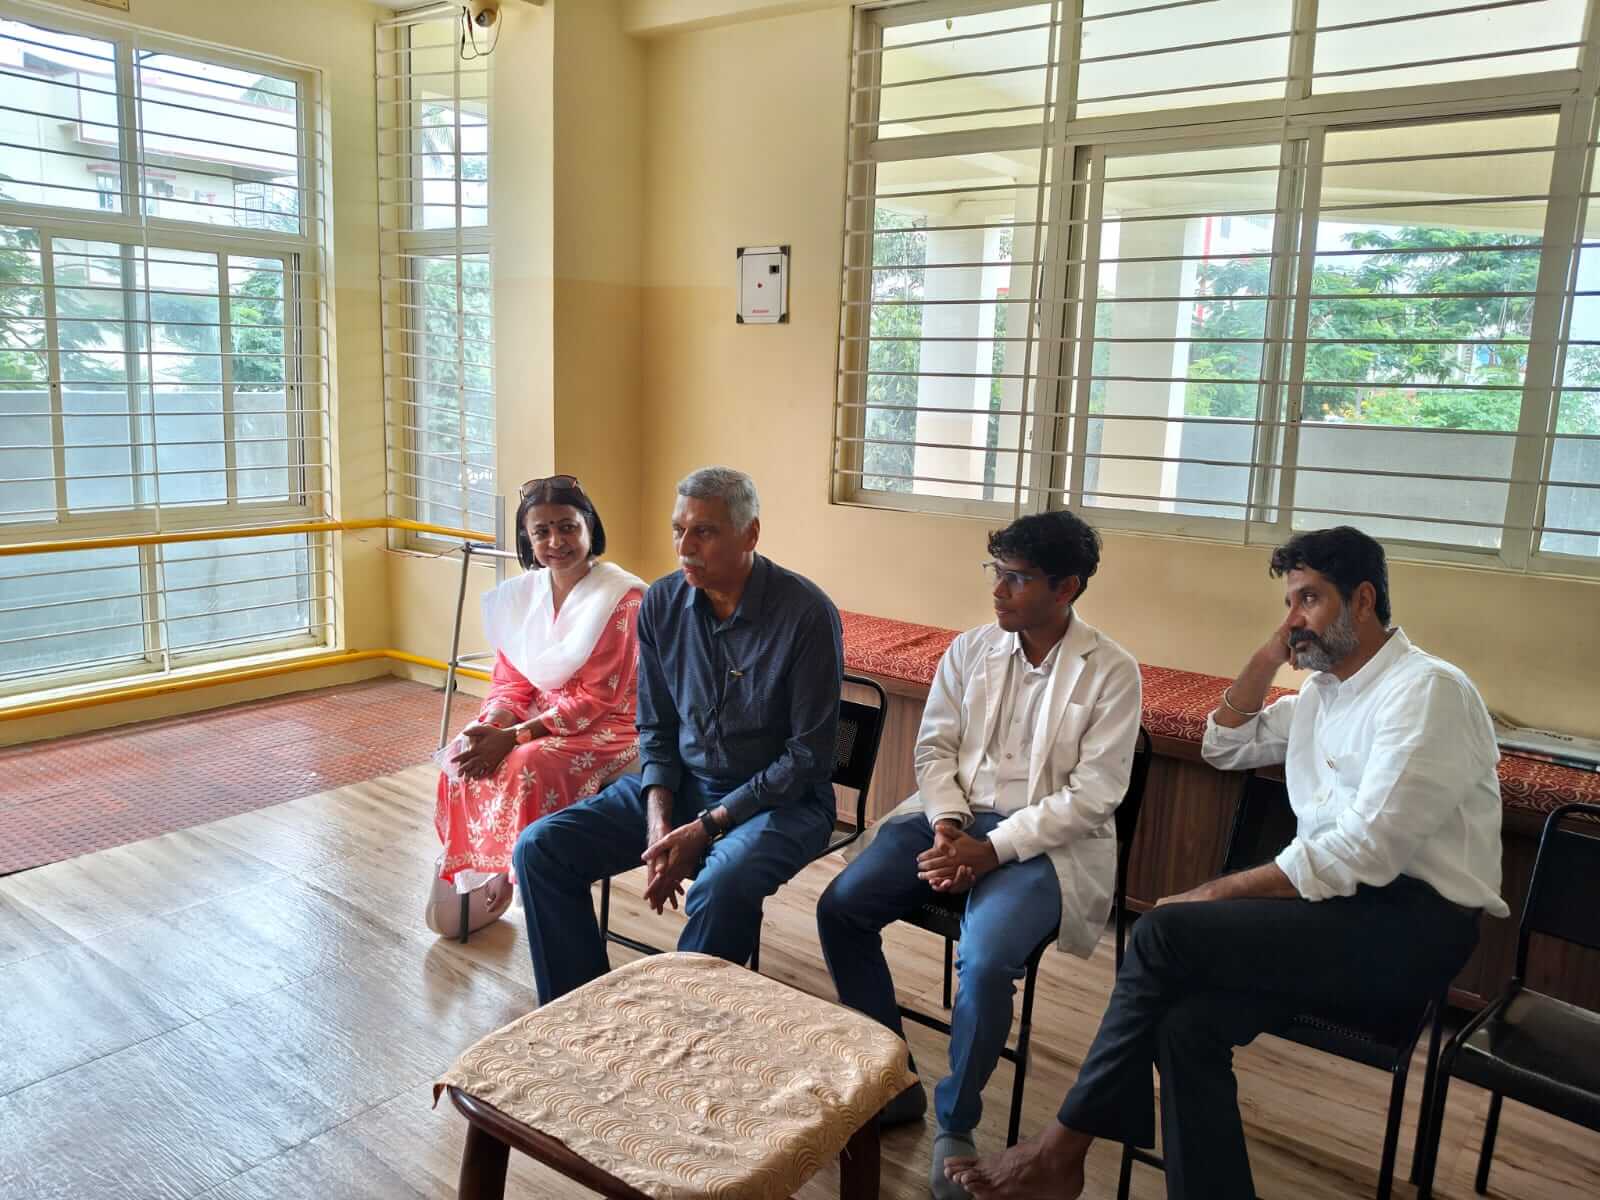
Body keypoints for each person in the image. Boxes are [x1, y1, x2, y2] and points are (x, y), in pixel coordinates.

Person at [946, 525, 1507, 1200]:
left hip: (1411, 928)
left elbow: (1366, 849)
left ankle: (1059, 1152)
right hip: (1335, 913)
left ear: (1363, 600)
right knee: (1186, 1025)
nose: (1294, 619)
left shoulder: (1426, 691)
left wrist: (1216, 894)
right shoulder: (1323, 695)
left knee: (1160, 933)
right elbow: (1224, 745)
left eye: (1309, 599)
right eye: (1289, 603)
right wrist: (1269, 656)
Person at [817, 510, 1142, 1200]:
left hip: (1044, 844)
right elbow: (935, 748)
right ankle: (893, 1081)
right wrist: (946, 824)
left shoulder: (1111, 671)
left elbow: (1095, 795)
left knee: (988, 960)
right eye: (997, 572)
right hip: (952, 818)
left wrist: (991, 850)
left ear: (1066, 588)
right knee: (841, 906)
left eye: (1017, 578)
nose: (998, 590)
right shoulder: (971, 649)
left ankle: (956, 1122)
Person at [513, 466, 844, 1003]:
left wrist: (707, 827)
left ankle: (680, 1029)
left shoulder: (805, 614)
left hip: (783, 803)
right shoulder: (663, 603)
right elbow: (657, 729)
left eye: (704, 532)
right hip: (686, 785)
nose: (685, 548)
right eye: (678, 530)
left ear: (750, 534)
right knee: (540, 848)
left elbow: (806, 758)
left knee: (723, 885)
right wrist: (658, 821)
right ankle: (581, 1014)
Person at [427, 475, 646, 938]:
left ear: (589, 526)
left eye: (567, 527)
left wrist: (513, 737)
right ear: (527, 539)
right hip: (537, 717)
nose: (556, 542)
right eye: (541, 532)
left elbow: (598, 698)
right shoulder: (523, 596)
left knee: (527, 765)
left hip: (608, 724)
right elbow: (511, 680)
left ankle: (519, 872)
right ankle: (485, 868)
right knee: (463, 751)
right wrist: (493, 725)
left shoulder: (622, 599)